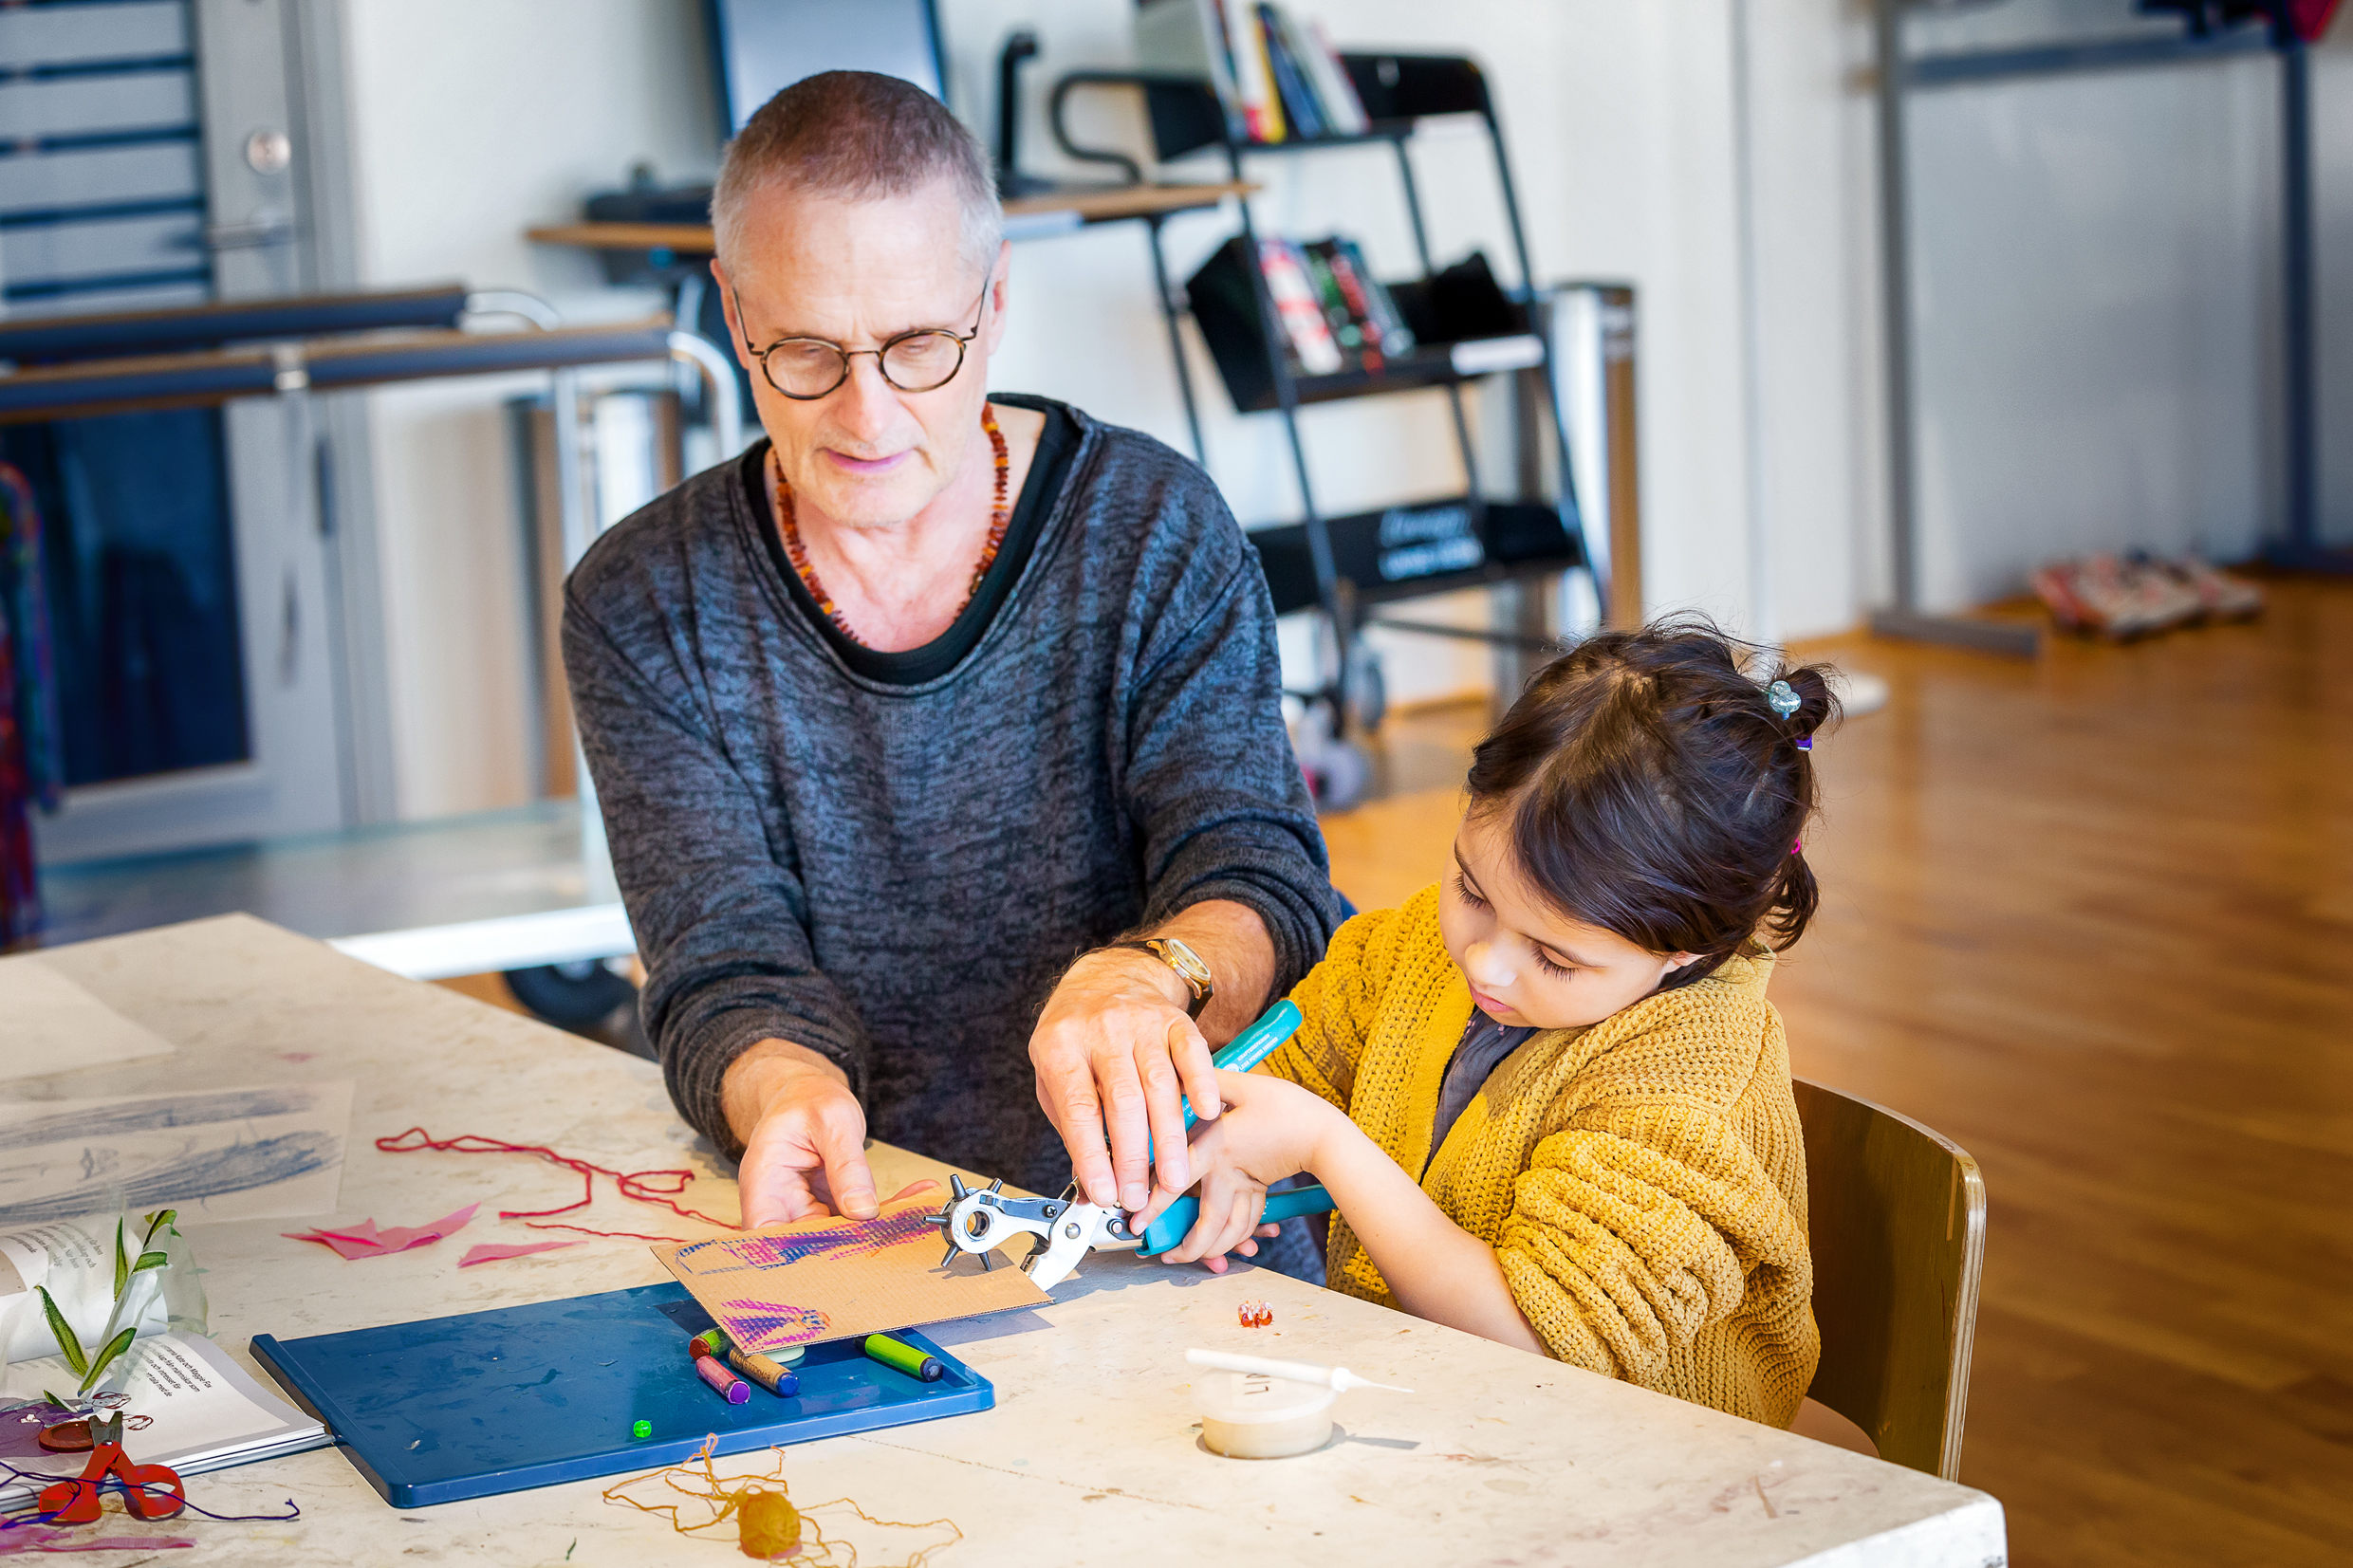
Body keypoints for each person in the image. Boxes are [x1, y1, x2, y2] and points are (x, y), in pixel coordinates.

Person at [563, 72, 1342, 1230]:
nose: (866, 416)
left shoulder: (1150, 528)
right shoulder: (645, 603)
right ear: (732, 316)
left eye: (918, 345)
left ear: (994, 293)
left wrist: (1150, 975)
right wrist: (784, 1090)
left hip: (1187, 1223)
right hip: (860, 1228)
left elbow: (1262, 877)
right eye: (806, 354)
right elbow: (723, 964)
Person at [1142, 621, 1826, 1426]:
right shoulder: (1410, 952)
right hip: (1430, 1424)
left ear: (1683, 952)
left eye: (1554, 956)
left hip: (1638, 1483)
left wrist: (1324, 1143)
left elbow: (1534, 1351)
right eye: (1472, 890)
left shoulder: (1693, 1082)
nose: (1487, 965)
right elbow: (1282, 1084)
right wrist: (1229, 1151)